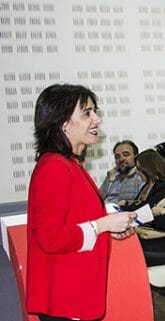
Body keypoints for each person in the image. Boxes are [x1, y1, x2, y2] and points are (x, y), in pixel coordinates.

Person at [28, 84, 137, 321]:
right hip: (64, 295)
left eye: (95, 111)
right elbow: (50, 237)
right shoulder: (55, 168)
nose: (97, 119)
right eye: (87, 113)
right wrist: (103, 226)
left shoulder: (69, 164)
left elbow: (76, 221)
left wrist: (109, 228)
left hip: (73, 291)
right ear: (63, 123)